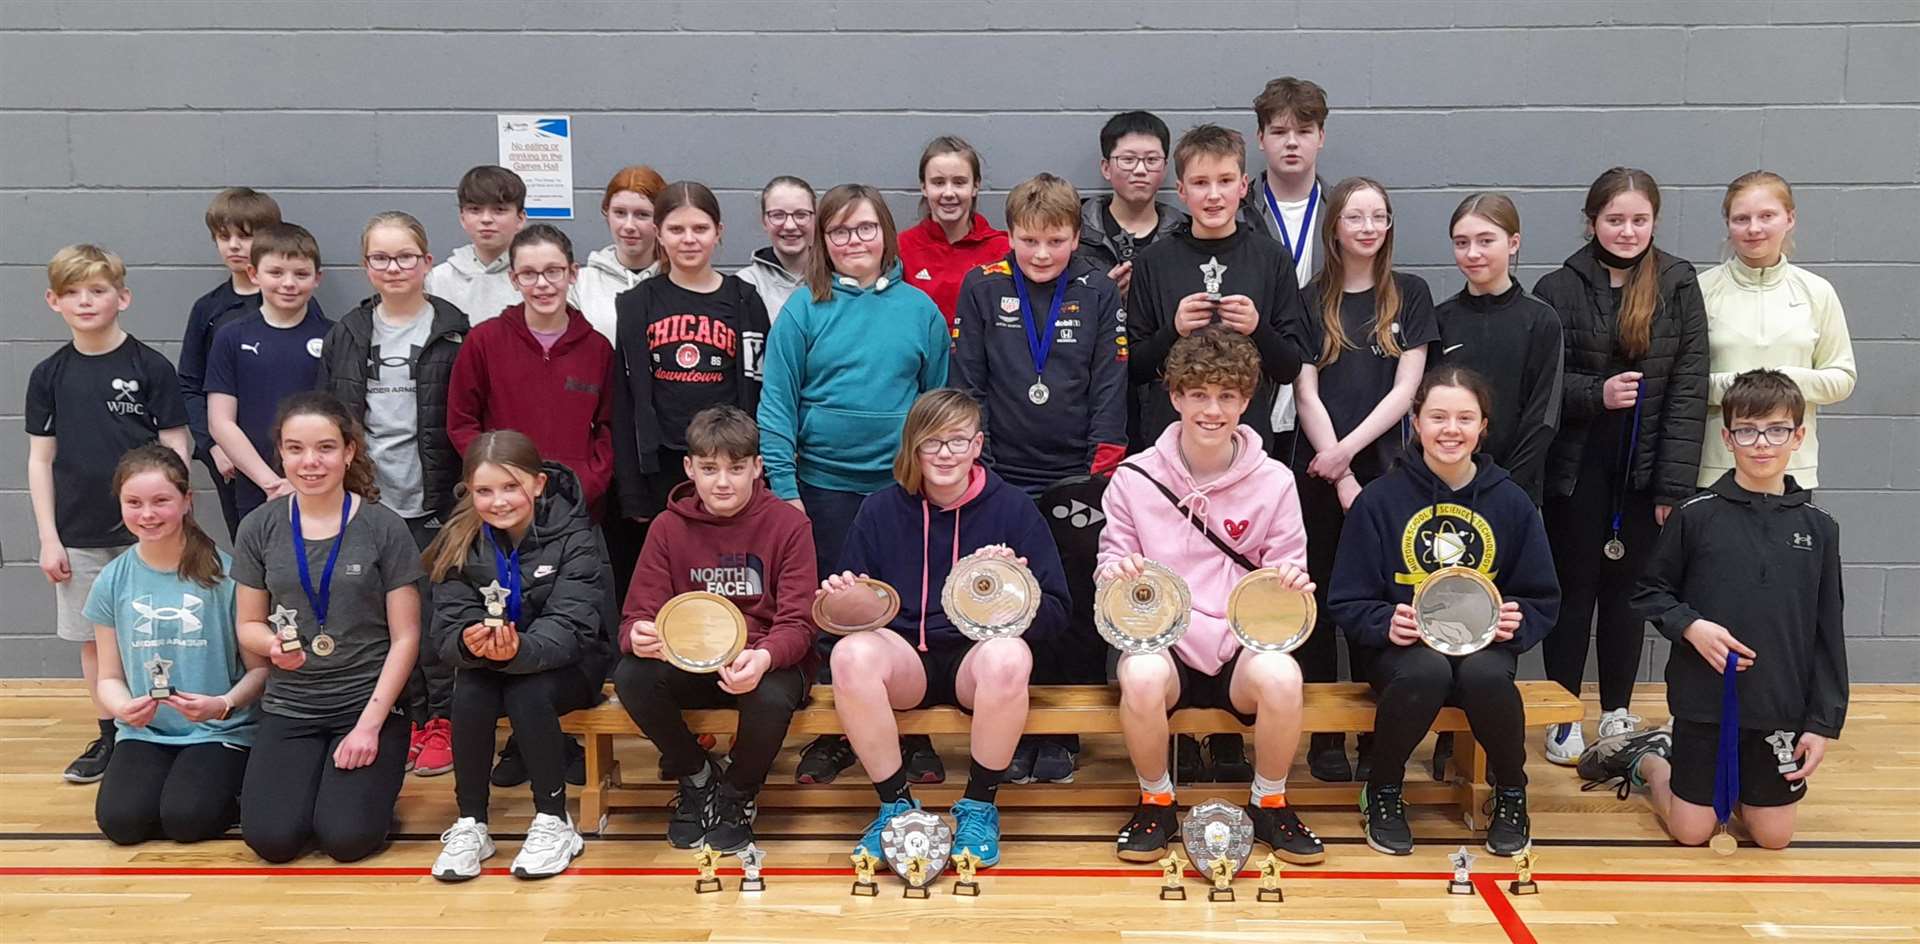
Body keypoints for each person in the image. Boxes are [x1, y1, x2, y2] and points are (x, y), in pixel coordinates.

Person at [1127, 123, 1311, 781]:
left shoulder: (1268, 259)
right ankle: (1171, 751)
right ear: (1181, 188)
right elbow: (1129, 369)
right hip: (1173, 462)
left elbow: (1293, 363)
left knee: (1242, 582)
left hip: (1244, 456)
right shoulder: (1154, 264)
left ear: (1243, 184)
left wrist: (1257, 326)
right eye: (1198, 183)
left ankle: (1237, 741)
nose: (1212, 193)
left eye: (1224, 181)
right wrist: (1166, 334)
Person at [1099, 327, 1324, 866]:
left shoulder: (1274, 481)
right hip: (1166, 640)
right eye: (1198, 394)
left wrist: (1290, 584)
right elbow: (1109, 569)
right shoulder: (1133, 478)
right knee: (1141, 673)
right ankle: (1157, 799)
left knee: (1283, 675)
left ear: (1247, 401)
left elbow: (1287, 565)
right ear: (1175, 397)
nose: (1212, 409)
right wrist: (1119, 572)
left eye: (1227, 395)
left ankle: (1269, 800)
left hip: (1239, 645)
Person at [1595, 369, 1846, 851]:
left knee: (1773, 838)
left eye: (1776, 430)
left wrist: (1822, 724)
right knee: (1692, 833)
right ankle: (1649, 758)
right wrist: (1692, 626)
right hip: (1704, 704)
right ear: (1728, 437)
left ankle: (1743, 793)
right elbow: (1649, 592)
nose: (1761, 444)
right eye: (1747, 431)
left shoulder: (1819, 528)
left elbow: (1827, 630)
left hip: (1778, 707)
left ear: (1798, 435)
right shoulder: (1695, 515)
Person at [757, 183, 949, 786]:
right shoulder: (802, 309)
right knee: (833, 614)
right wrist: (786, 491)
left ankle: (913, 737)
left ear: (886, 233)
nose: (853, 241)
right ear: (824, 241)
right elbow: (776, 406)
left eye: (864, 228)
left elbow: (939, 403)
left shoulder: (919, 310)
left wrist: (933, 480)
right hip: (823, 491)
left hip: (902, 492)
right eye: (839, 232)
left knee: (908, 614)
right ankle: (836, 737)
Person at [829, 389, 1070, 869]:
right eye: (932, 442)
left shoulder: (1015, 509)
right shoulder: (879, 509)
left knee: (1010, 656)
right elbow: (847, 617)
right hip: (904, 660)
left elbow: (1058, 616)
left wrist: (1014, 596)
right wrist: (842, 599)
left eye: (957, 441)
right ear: (913, 448)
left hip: (971, 662)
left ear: (977, 446)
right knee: (850, 656)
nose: (945, 454)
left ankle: (980, 806)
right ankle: (896, 807)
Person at [1327, 366, 1560, 856]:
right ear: (1415, 422)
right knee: (1425, 672)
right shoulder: (1379, 501)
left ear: (1483, 427)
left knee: (1487, 678)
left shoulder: (1511, 502)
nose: (1450, 429)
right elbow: (1346, 599)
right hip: (1401, 651)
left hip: (1483, 647)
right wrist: (1383, 621)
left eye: (1464, 418)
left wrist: (1519, 620)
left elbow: (1542, 596)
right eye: (1437, 416)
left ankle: (1511, 792)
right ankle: (1385, 789)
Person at [1533, 167, 1708, 765]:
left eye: (1639, 220)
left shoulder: (1679, 283)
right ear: (1591, 222)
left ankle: (1615, 709)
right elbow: (1547, 383)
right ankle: (1562, 714)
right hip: (1577, 468)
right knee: (1574, 590)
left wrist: (1672, 486)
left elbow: (1689, 387)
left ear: (1654, 222)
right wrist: (1595, 394)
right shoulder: (1557, 287)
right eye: (1615, 219)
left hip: (1646, 469)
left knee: (1628, 594)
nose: (1627, 231)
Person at [615, 406, 816, 853]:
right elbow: (633, 618)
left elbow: (799, 624)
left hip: (763, 661)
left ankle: (737, 796)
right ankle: (698, 777)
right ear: (690, 468)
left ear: (757, 469)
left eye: (736, 468)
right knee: (631, 673)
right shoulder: (667, 528)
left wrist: (763, 656)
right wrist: (640, 636)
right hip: (691, 658)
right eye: (709, 469)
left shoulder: (790, 524)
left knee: (769, 691)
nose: (722, 482)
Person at [231, 392, 421, 863]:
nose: (310, 462)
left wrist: (369, 726)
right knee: (272, 842)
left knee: (346, 839)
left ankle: (364, 795)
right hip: (291, 706)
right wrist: (273, 646)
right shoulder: (259, 527)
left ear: (349, 451)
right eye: (295, 449)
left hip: (365, 706)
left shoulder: (384, 527)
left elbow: (407, 637)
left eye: (325, 448)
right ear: (280, 453)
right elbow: (248, 625)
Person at [1291, 177, 1438, 783]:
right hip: (1318, 471)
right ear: (1336, 227)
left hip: (1386, 475)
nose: (1368, 227)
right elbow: (1304, 391)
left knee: (1383, 605)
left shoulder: (1411, 294)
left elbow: (1407, 392)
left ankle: (1381, 736)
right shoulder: (1307, 298)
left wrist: (1348, 460)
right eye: (1356, 216)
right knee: (1322, 599)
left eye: (1379, 216)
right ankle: (1327, 736)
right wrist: (1335, 470)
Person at [27, 244, 192, 784]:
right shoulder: (48, 374)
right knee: (97, 643)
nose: (85, 301)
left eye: (97, 290)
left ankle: (170, 726)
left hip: (147, 537)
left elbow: (176, 446)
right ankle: (111, 735)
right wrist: (49, 537)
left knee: (163, 633)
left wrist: (171, 521)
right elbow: (40, 459)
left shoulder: (149, 367)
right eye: (72, 292)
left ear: (122, 297)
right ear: (53, 301)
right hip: (78, 534)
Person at [316, 211, 471, 778]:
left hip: (434, 501)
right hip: (370, 502)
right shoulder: (349, 333)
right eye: (381, 258)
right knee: (380, 620)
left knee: (435, 621)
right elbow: (330, 414)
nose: (394, 267)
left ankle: (444, 723)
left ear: (427, 262)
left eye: (406, 255)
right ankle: (406, 717)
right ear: (366, 268)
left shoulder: (457, 331)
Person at [422, 430, 613, 881]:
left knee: (527, 691)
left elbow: (574, 624)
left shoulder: (575, 535)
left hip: (571, 665)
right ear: (469, 491)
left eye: (510, 487)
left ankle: (554, 820)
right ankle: (472, 822)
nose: (499, 501)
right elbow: (446, 625)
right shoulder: (458, 540)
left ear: (538, 484)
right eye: (484, 491)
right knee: (469, 686)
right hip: (495, 661)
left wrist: (520, 649)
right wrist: (469, 642)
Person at [88, 445, 264, 844]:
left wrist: (222, 705)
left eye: (161, 501)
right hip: (146, 733)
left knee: (187, 820)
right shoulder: (112, 580)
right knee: (122, 823)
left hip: (219, 729)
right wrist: (123, 709)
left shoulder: (227, 577)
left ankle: (237, 786)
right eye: (134, 503)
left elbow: (259, 671)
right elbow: (109, 675)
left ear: (187, 501)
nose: (147, 514)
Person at [954, 172, 1128, 494]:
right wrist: (980, 467)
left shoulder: (1099, 289)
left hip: (1076, 471)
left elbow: (1110, 387)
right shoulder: (981, 286)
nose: (1042, 254)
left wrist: (1100, 475)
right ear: (1010, 236)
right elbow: (968, 385)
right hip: (998, 471)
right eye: (1029, 241)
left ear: (1076, 238)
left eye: (1056, 241)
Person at [612, 181, 769, 523]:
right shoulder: (636, 304)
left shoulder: (745, 301)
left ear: (718, 232)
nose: (688, 239)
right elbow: (624, 402)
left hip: (729, 463)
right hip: (662, 465)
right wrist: (631, 489)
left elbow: (761, 392)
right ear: (658, 233)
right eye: (676, 229)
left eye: (700, 228)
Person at [1696, 172, 1856, 489]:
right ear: (1728, 223)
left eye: (1767, 216)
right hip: (1717, 470)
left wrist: (1783, 381)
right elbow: (1684, 384)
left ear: (1790, 218)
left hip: (1793, 471)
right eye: (1741, 218)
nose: (1754, 228)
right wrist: (1744, 387)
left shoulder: (1817, 292)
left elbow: (1842, 379)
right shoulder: (1700, 291)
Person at [448, 225, 616, 516]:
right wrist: (494, 478)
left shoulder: (598, 349)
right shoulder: (484, 341)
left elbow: (610, 427)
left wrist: (589, 481)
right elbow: (461, 422)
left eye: (553, 271)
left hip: (576, 507)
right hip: (502, 506)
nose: (542, 284)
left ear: (572, 273)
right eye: (529, 273)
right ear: (514, 279)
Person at [1433, 192, 1564, 506]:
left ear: (1513, 243)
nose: (1472, 253)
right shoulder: (1441, 319)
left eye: (1485, 240)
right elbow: (1429, 411)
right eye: (1461, 242)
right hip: (1449, 488)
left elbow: (1543, 418)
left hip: (1515, 493)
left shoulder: (1541, 319)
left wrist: (1504, 486)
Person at [206, 222, 333, 523]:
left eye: (301, 274)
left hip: (322, 485)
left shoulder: (335, 336)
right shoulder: (231, 336)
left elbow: (343, 419)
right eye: (276, 273)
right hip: (257, 488)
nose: (288, 283)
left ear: (317, 279)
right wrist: (271, 483)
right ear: (254, 274)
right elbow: (220, 421)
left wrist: (306, 481)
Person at [179, 187, 283, 537]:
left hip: (287, 454)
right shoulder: (208, 309)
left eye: (245, 235)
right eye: (224, 237)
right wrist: (212, 446)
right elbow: (189, 384)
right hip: (228, 460)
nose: (234, 246)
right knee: (249, 547)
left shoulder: (292, 300)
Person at [1240, 77, 1332, 458]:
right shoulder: (1236, 215)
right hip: (1253, 387)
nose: (1291, 142)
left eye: (1304, 131)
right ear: (1260, 138)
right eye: (1278, 131)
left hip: (1325, 383)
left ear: (1321, 137)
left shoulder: (1342, 215)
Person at [897, 136, 1011, 325]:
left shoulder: (1002, 250)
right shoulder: (901, 248)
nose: (949, 193)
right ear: (924, 187)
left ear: (975, 186)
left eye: (959, 182)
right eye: (938, 182)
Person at [1078, 110, 1185, 298]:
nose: (1141, 170)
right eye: (1128, 160)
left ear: (1165, 169)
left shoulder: (1185, 234)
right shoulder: (1075, 231)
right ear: (1106, 168)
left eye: (1152, 160)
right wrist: (1102, 299)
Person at [571, 164, 666, 341]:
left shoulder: (678, 281)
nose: (629, 226)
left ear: (661, 219)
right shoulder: (581, 285)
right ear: (607, 214)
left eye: (642, 215)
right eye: (620, 213)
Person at [425, 165, 527, 325]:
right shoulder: (437, 281)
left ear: (520, 219)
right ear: (462, 218)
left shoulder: (539, 279)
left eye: (499, 210)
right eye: (475, 210)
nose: (486, 219)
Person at [736, 175, 817, 322]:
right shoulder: (744, 284)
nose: (790, 226)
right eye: (778, 215)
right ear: (764, 221)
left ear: (814, 219)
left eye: (801, 215)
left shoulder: (835, 278)